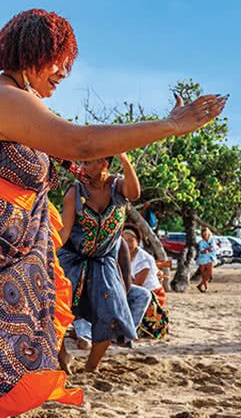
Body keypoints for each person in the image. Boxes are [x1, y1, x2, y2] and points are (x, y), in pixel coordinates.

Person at [0, 8, 226, 416]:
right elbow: (80, 143)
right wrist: (170, 125)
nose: (65, 72)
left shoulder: (24, 102)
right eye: (58, 60)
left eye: (68, 63)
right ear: (31, 51)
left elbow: (84, 154)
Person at [57, 153, 150, 372]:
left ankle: (92, 366)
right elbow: (64, 232)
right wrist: (46, 253)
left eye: (87, 162)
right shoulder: (75, 191)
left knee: (113, 314)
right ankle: (63, 355)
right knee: (54, 309)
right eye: (81, 162)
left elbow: (135, 193)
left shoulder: (118, 187)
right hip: (72, 260)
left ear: (104, 164)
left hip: (104, 263)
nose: (82, 166)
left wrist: (126, 160)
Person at [122, 226, 169, 339]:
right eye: (124, 240)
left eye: (130, 240)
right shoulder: (122, 255)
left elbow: (137, 286)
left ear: (137, 241)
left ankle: (129, 332)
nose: (127, 244)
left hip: (152, 295)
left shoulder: (143, 259)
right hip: (130, 288)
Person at [195, 227, 217, 293]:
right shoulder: (201, 242)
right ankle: (205, 288)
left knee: (209, 273)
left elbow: (213, 248)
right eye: (203, 234)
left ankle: (200, 285)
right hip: (202, 259)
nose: (205, 236)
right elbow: (202, 251)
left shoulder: (212, 240)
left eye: (206, 234)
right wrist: (207, 249)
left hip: (210, 258)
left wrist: (207, 250)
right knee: (204, 274)